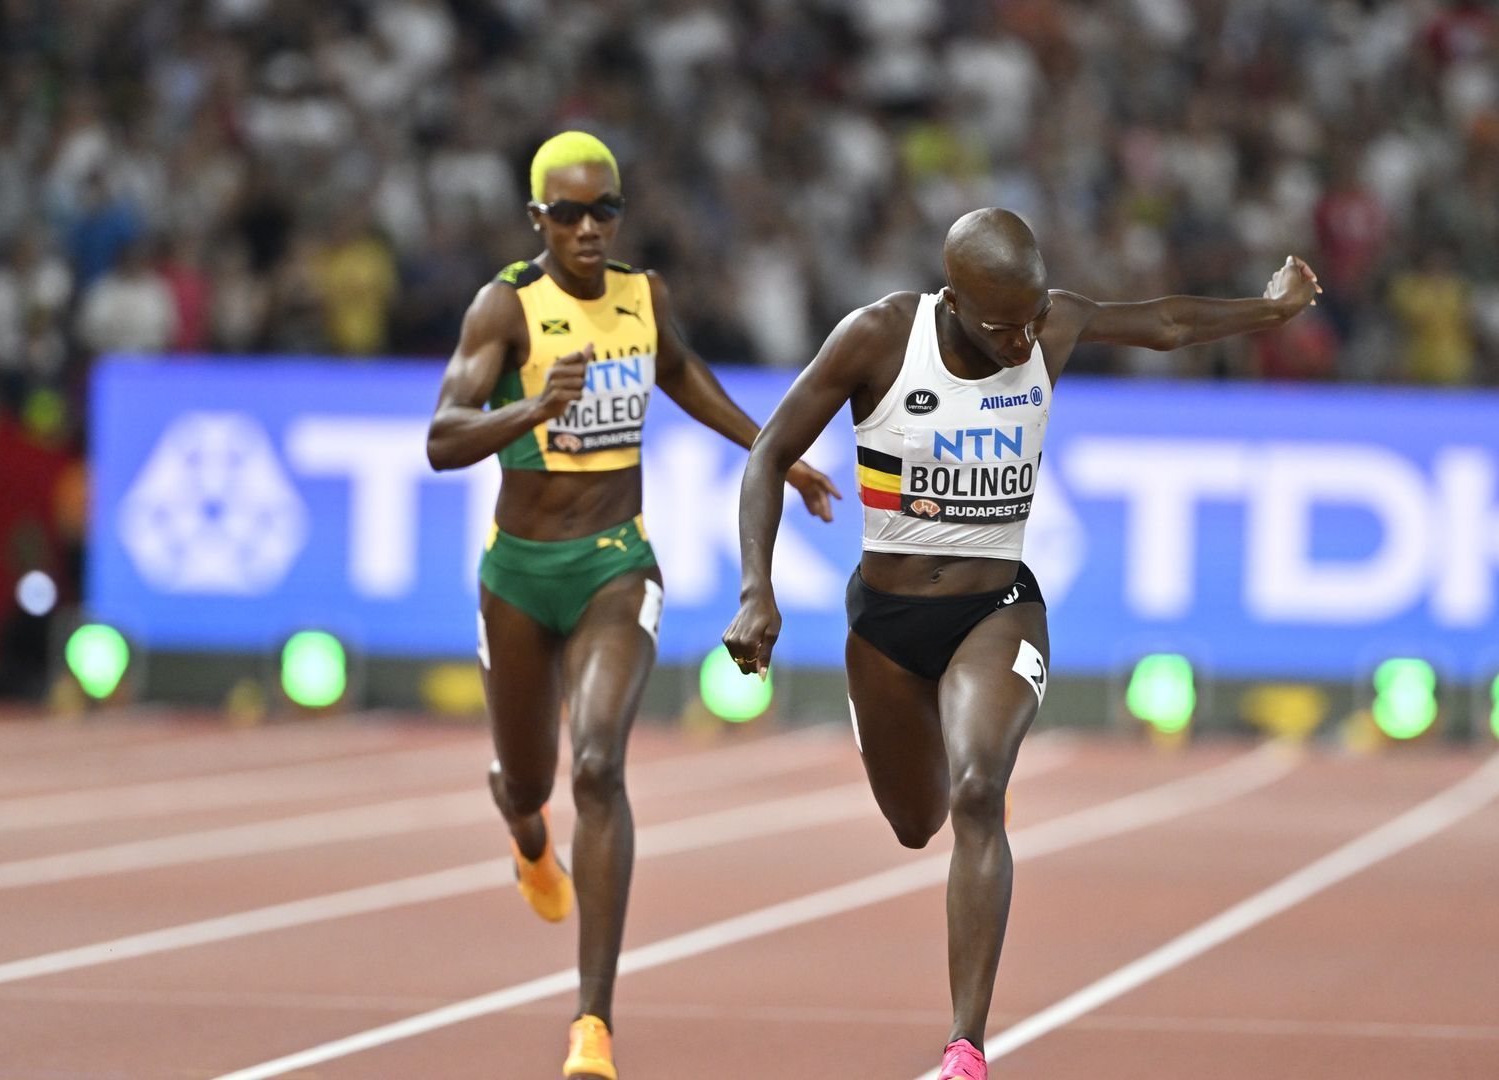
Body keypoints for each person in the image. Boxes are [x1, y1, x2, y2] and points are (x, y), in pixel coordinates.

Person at [723, 207, 1319, 1080]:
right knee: (914, 822)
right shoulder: (881, 338)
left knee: (976, 791)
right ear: (953, 299)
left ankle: (966, 1046)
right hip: (885, 625)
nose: (1023, 339)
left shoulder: (1050, 323)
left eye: (1034, 316)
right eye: (1003, 324)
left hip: (996, 607)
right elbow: (769, 450)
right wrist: (755, 590)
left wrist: (1266, 312)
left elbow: (1162, 322)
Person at [426, 131, 840, 1079]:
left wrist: (774, 450)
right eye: (566, 214)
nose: (585, 229)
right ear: (537, 219)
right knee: (528, 783)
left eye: (602, 211)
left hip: (618, 564)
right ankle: (527, 837)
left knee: (601, 764)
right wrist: (529, 411)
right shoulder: (507, 308)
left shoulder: (643, 297)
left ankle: (592, 1026)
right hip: (519, 578)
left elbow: (683, 375)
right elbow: (442, 439)